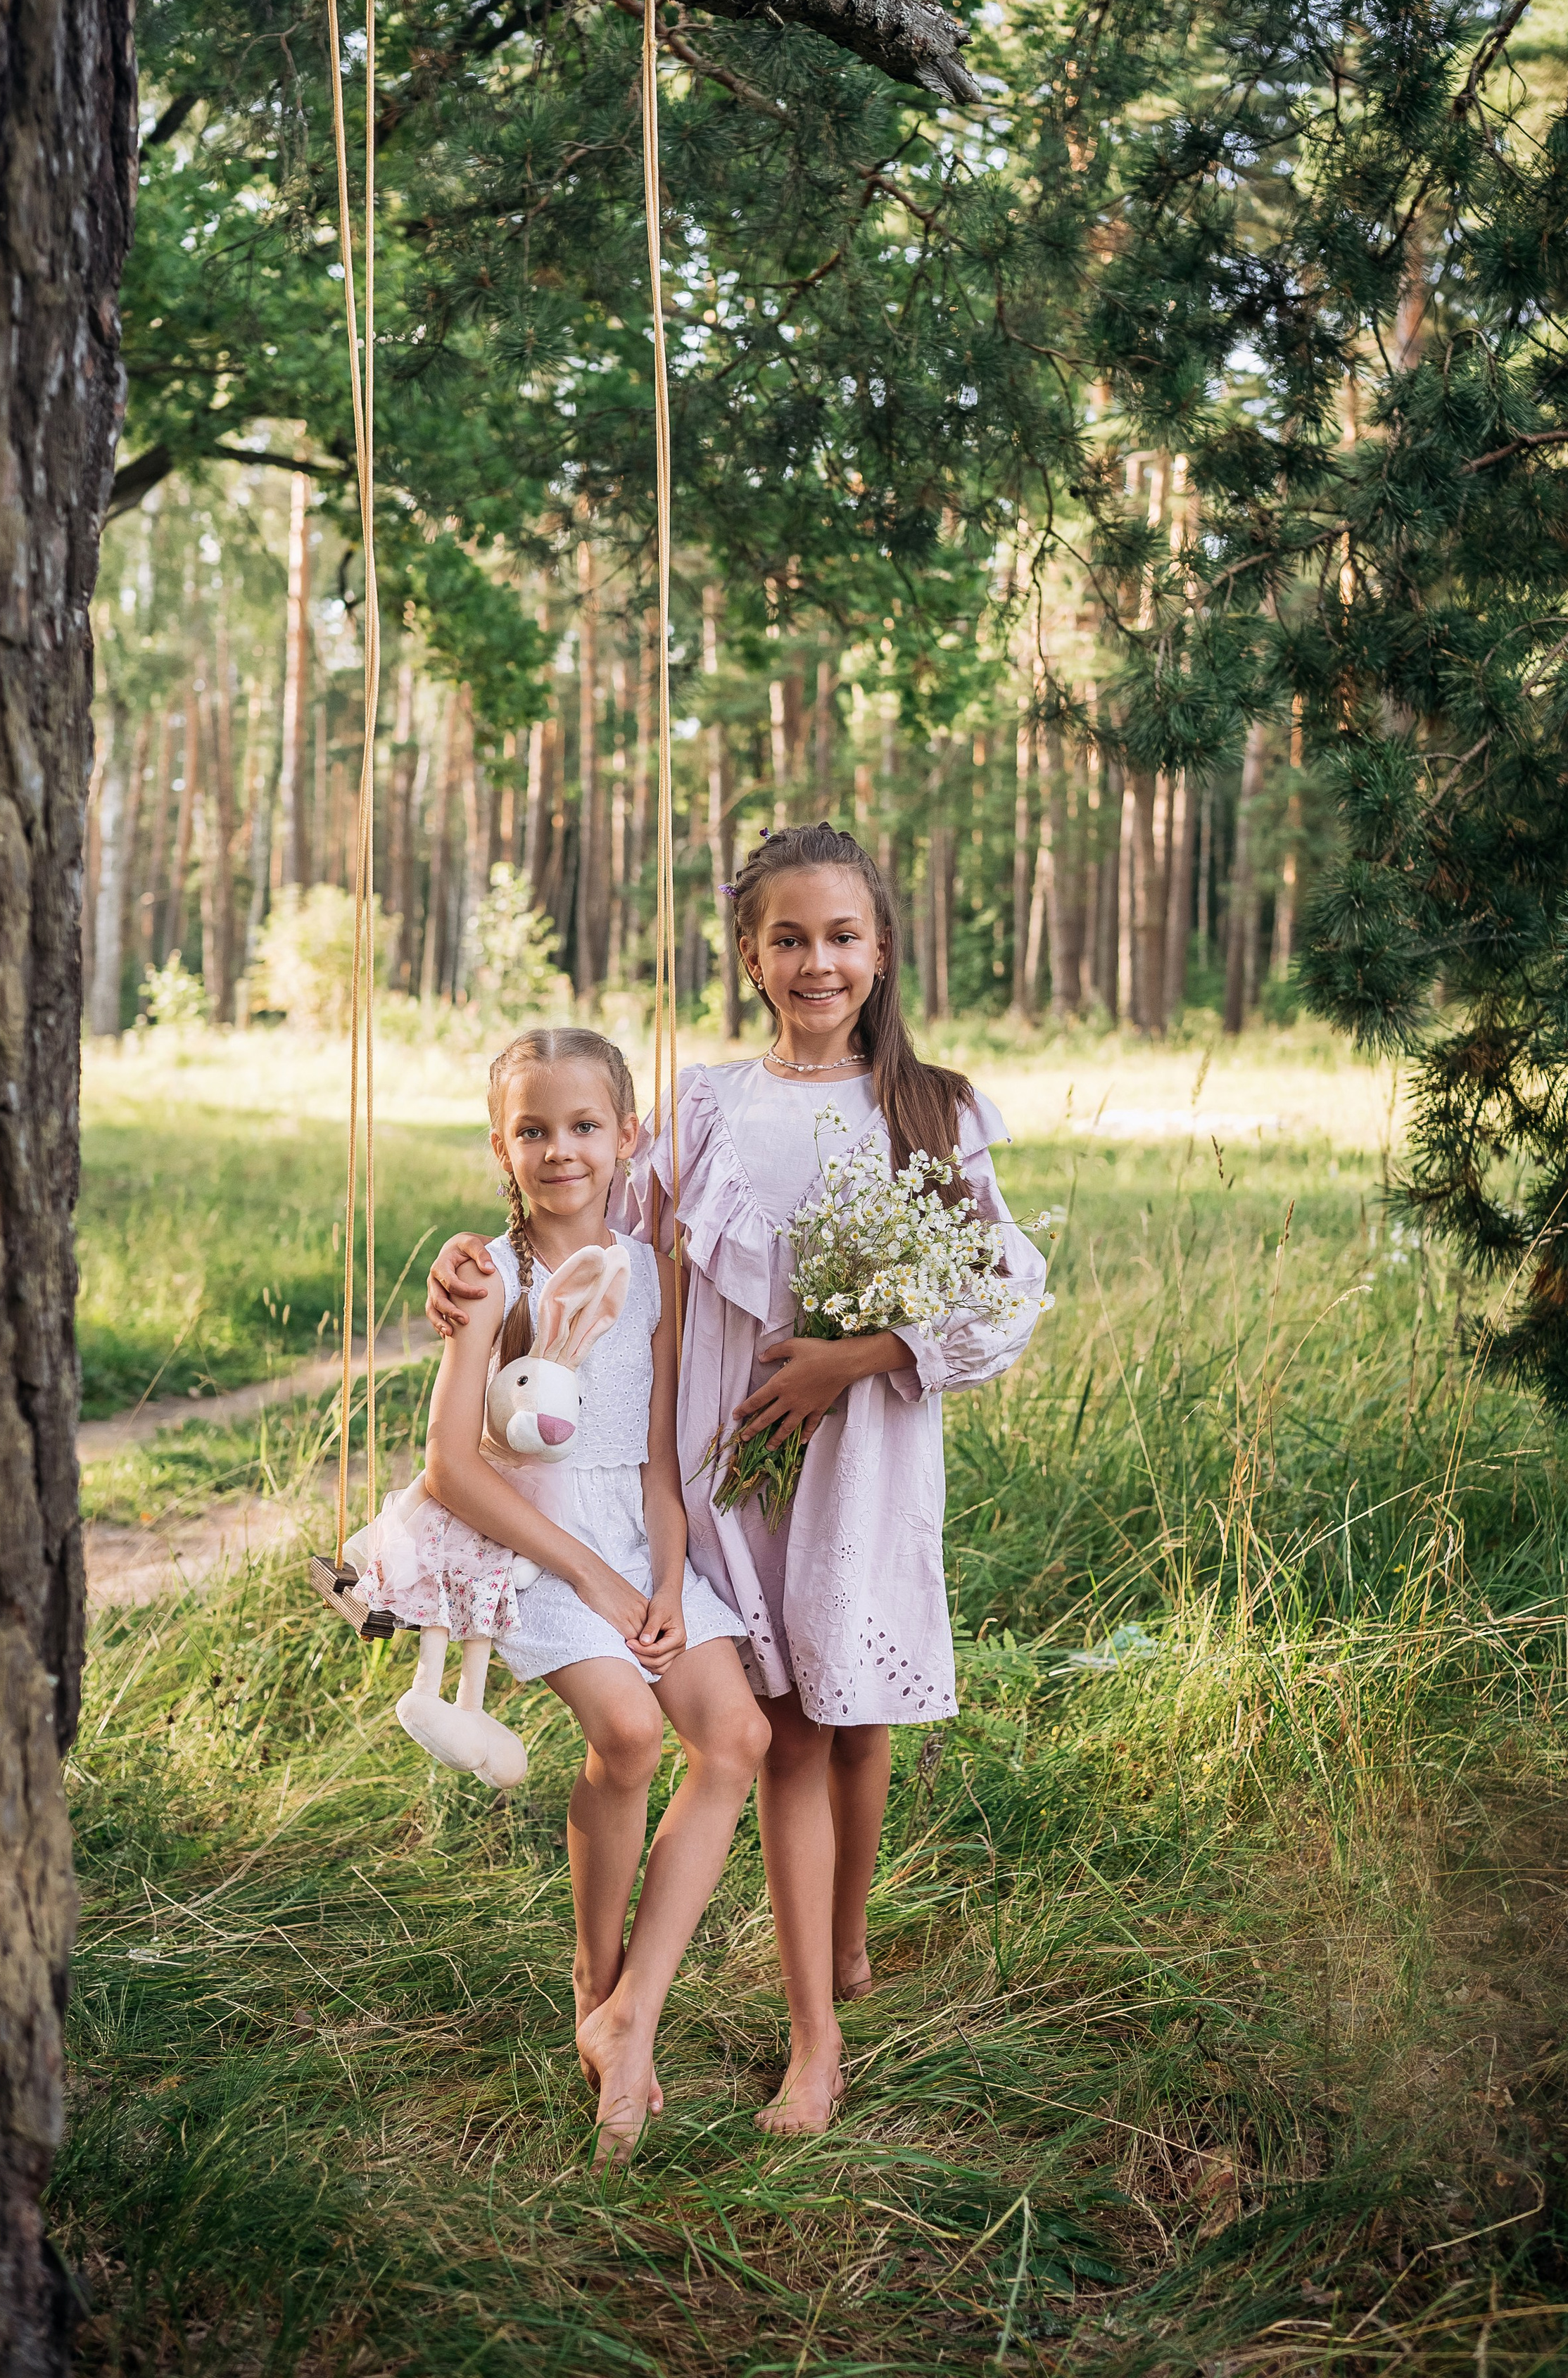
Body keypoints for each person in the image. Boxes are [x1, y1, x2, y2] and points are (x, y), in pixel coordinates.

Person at [427, 829, 1047, 2133]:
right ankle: (782, 2008)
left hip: (853, 1454)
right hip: (719, 1469)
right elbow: (589, 1213)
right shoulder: (708, 1103)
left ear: (881, 949)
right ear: (753, 955)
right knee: (775, 1731)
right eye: (788, 939)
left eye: (842, 937)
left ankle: (817, 2036)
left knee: (826, 1721)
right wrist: (467, 1268)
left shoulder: (932, 1108)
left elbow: (1003, 1295)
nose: (816, 961)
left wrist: (858, 1357)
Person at [420, 1025, 768, 2160]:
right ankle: (592, 1970)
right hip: (542, 1541)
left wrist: (666, 1581)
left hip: (637, 1534)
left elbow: (661, 1459)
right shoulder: (493, 1276)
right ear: (500, 1147)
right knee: (626, 1730)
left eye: (582, 1127)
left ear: (629, 1136)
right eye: (533, 1130)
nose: (560, 1149)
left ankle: (630, 2013)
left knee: (736, 1735)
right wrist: (603, 1584)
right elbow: (454, 1466)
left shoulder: (655, 1274)